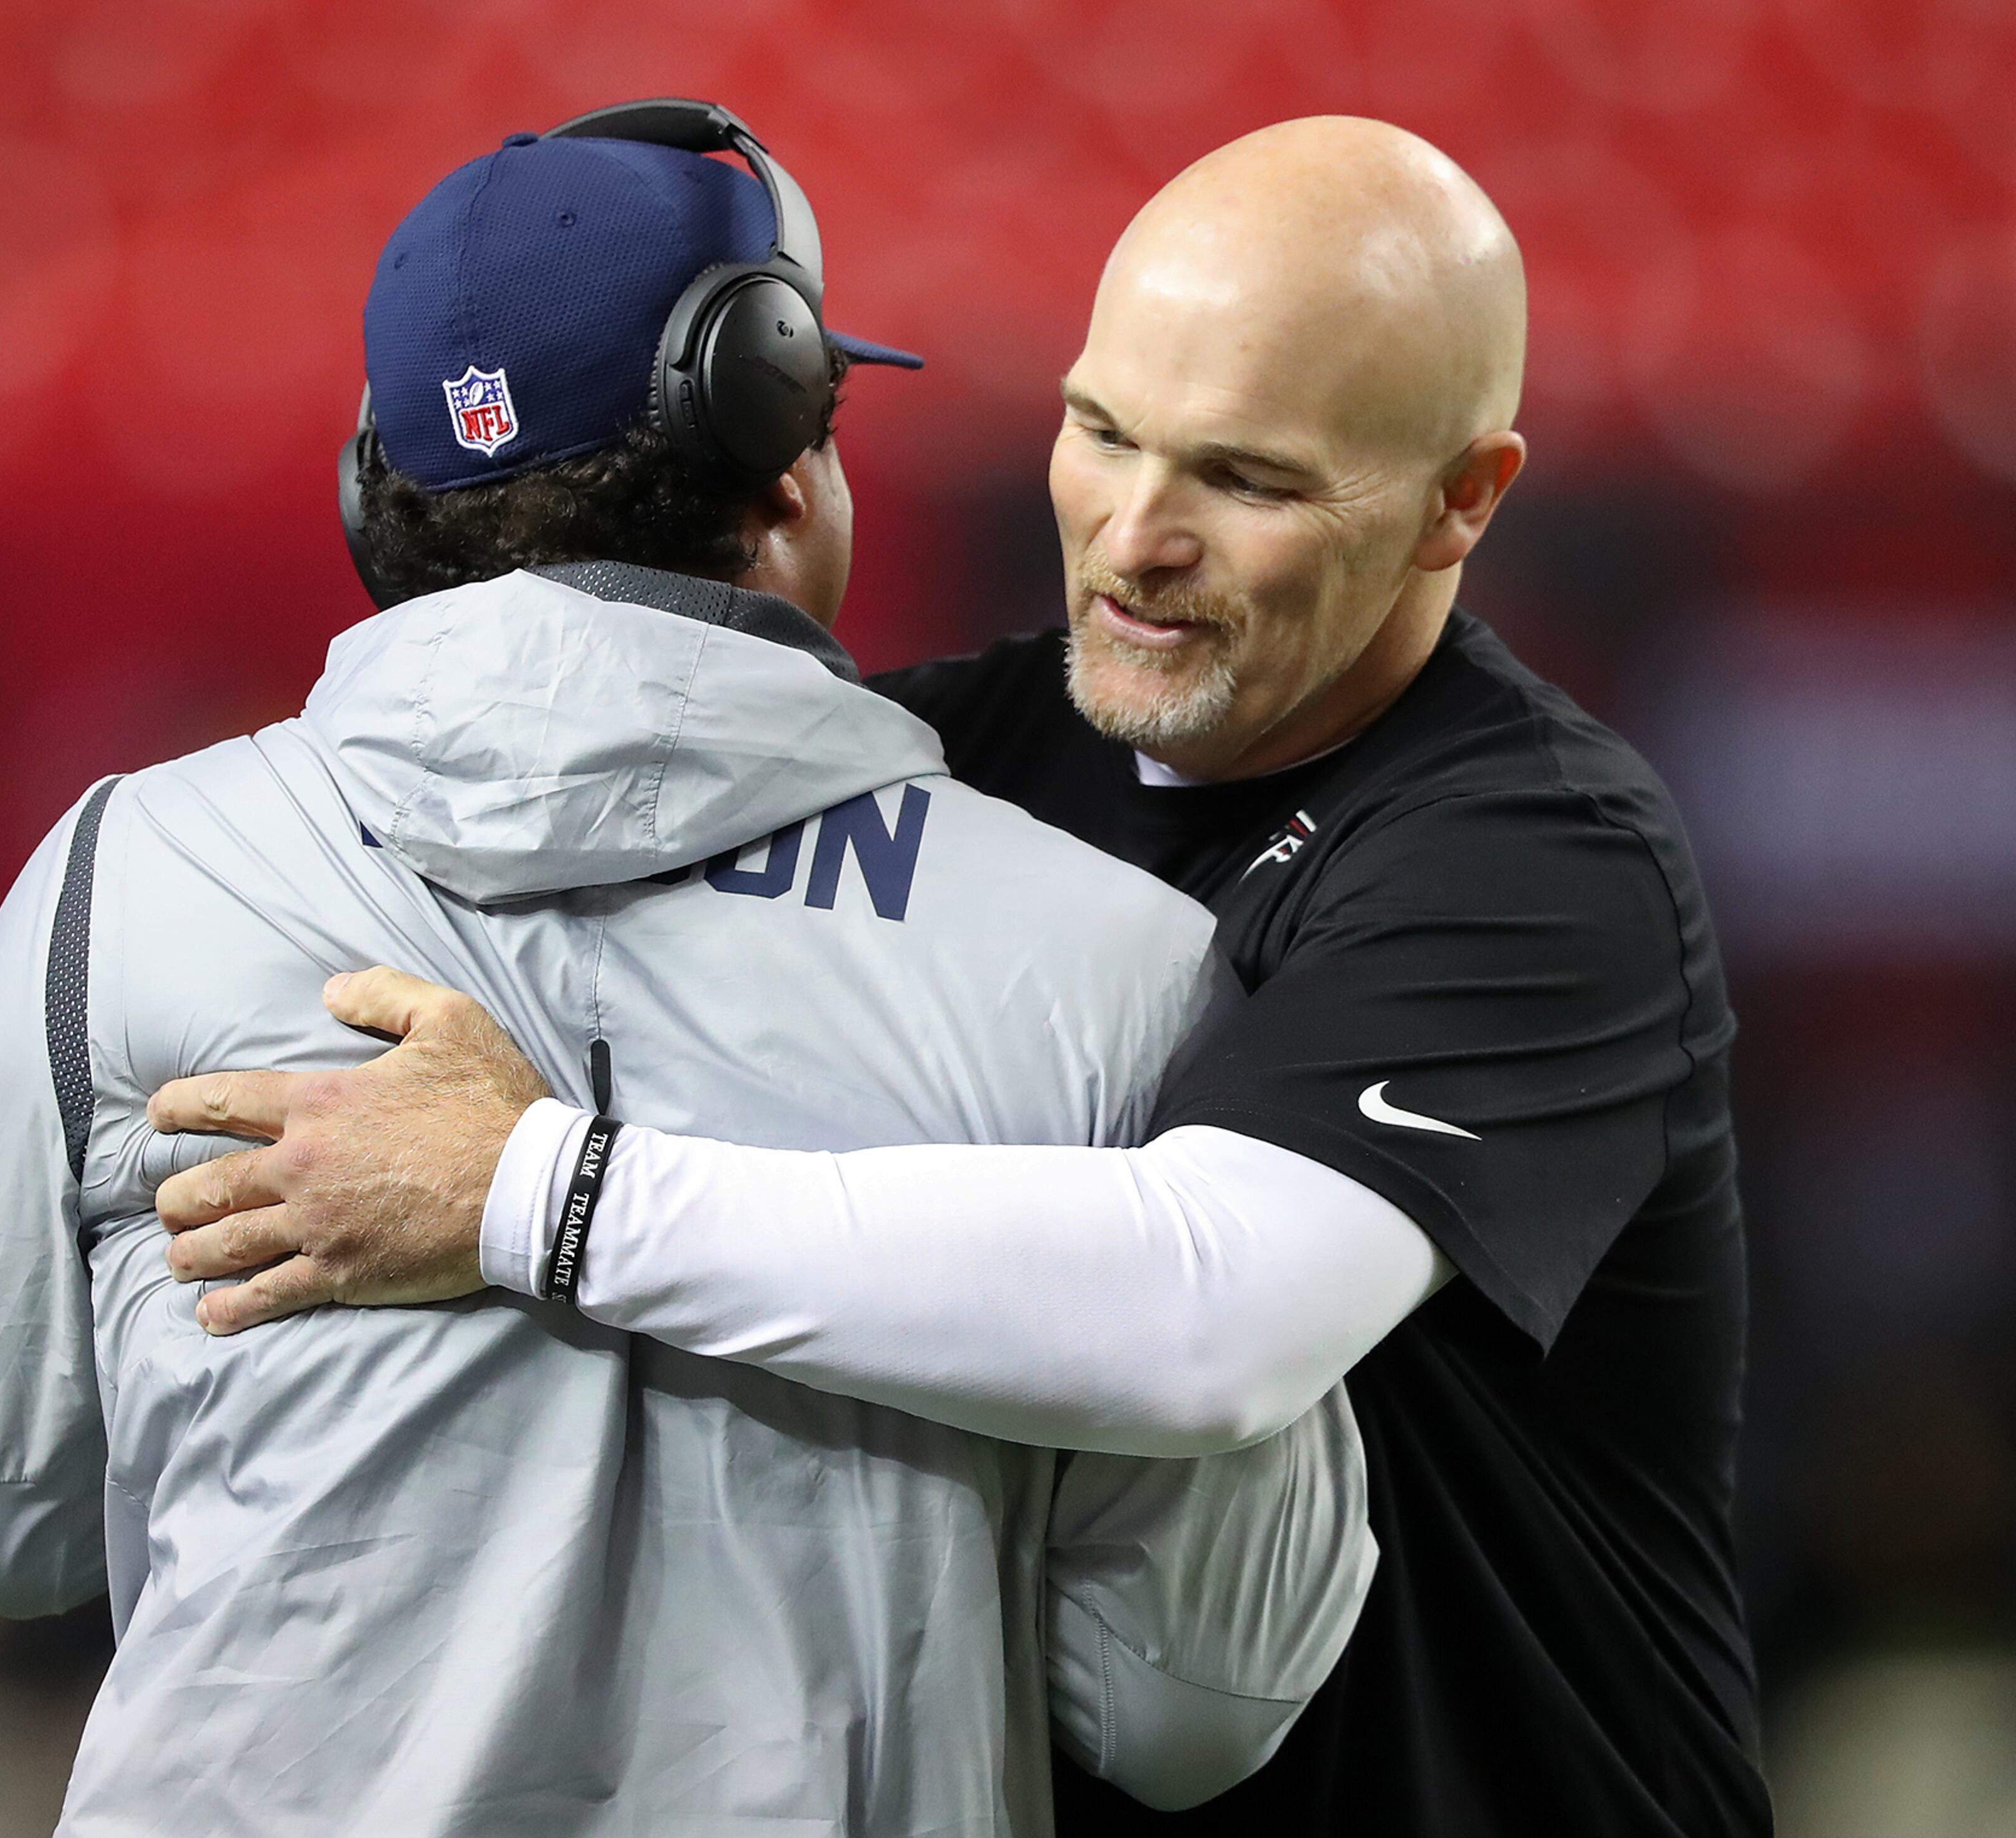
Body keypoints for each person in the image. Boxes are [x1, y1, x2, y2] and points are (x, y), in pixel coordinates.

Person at [151, 117, 1769, 1836]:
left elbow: (1213, 1316)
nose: (1135, 535)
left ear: (1465, 497)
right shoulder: (922, 775)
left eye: (1247, 479)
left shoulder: (1538, 855)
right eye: (1100, 430)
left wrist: (535, 1187)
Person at [0, 106, 1375, 1835]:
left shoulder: (120, 875)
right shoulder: (1110, 962)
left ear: (378, 492)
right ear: (786, 457)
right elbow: (1196, 1698)